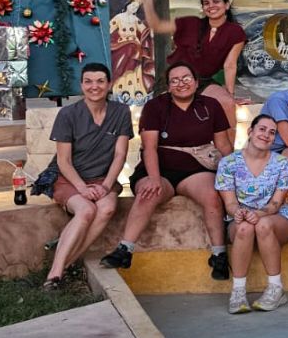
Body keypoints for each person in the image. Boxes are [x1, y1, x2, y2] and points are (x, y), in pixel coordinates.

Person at [100, 60, 234, 279]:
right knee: (148, 192)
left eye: (186, 78)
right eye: (175, 80)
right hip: (159, 170)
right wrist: (153, 178)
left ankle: (218, 254)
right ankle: (125, 249)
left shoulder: (210, 106)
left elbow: (224, 145)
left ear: (196, 82)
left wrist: (239, 174)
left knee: (212, 195)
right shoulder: (155, 107)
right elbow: (150, 148)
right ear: (168, 85)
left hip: (196, 171)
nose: (181, 83)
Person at [42, 62, 132, 289]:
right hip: (69, 178)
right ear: (82, 85)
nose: (95, 86)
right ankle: (54, 273)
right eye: (89, 81)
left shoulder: (121, 112)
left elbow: (120, 155)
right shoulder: (68, 114)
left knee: (107, 208)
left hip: (103, 178)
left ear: (109, 84)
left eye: (100, 81)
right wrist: (82, 188)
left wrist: (106, 186)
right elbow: (64, 161)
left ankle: (67, 263)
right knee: (86, 210)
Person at [214, 114, 288, 314]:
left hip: (276, 218)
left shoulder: (281, 163)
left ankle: (276, 289)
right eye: (262, 129)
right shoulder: (229, 163)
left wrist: (259, 213)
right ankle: (238, 292)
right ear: (250, 131)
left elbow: (277, 202)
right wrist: (239, 212)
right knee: (244, 227)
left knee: (262, 224)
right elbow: (230, 203)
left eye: (272, 132)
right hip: (241, 218)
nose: (266, 135)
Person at [143, 0, 247, 127]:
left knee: (227, 103)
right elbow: (157, 25)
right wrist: (147, 2)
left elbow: (230, 65)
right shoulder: (190, 22)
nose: (211, 6)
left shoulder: (235, 32)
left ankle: (229, 148)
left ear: (226, 5)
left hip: (202, 80)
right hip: (175, 77)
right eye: (206, 3)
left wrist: (230, 95)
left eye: (216, 1)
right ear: (203, 8)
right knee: (168, 115)